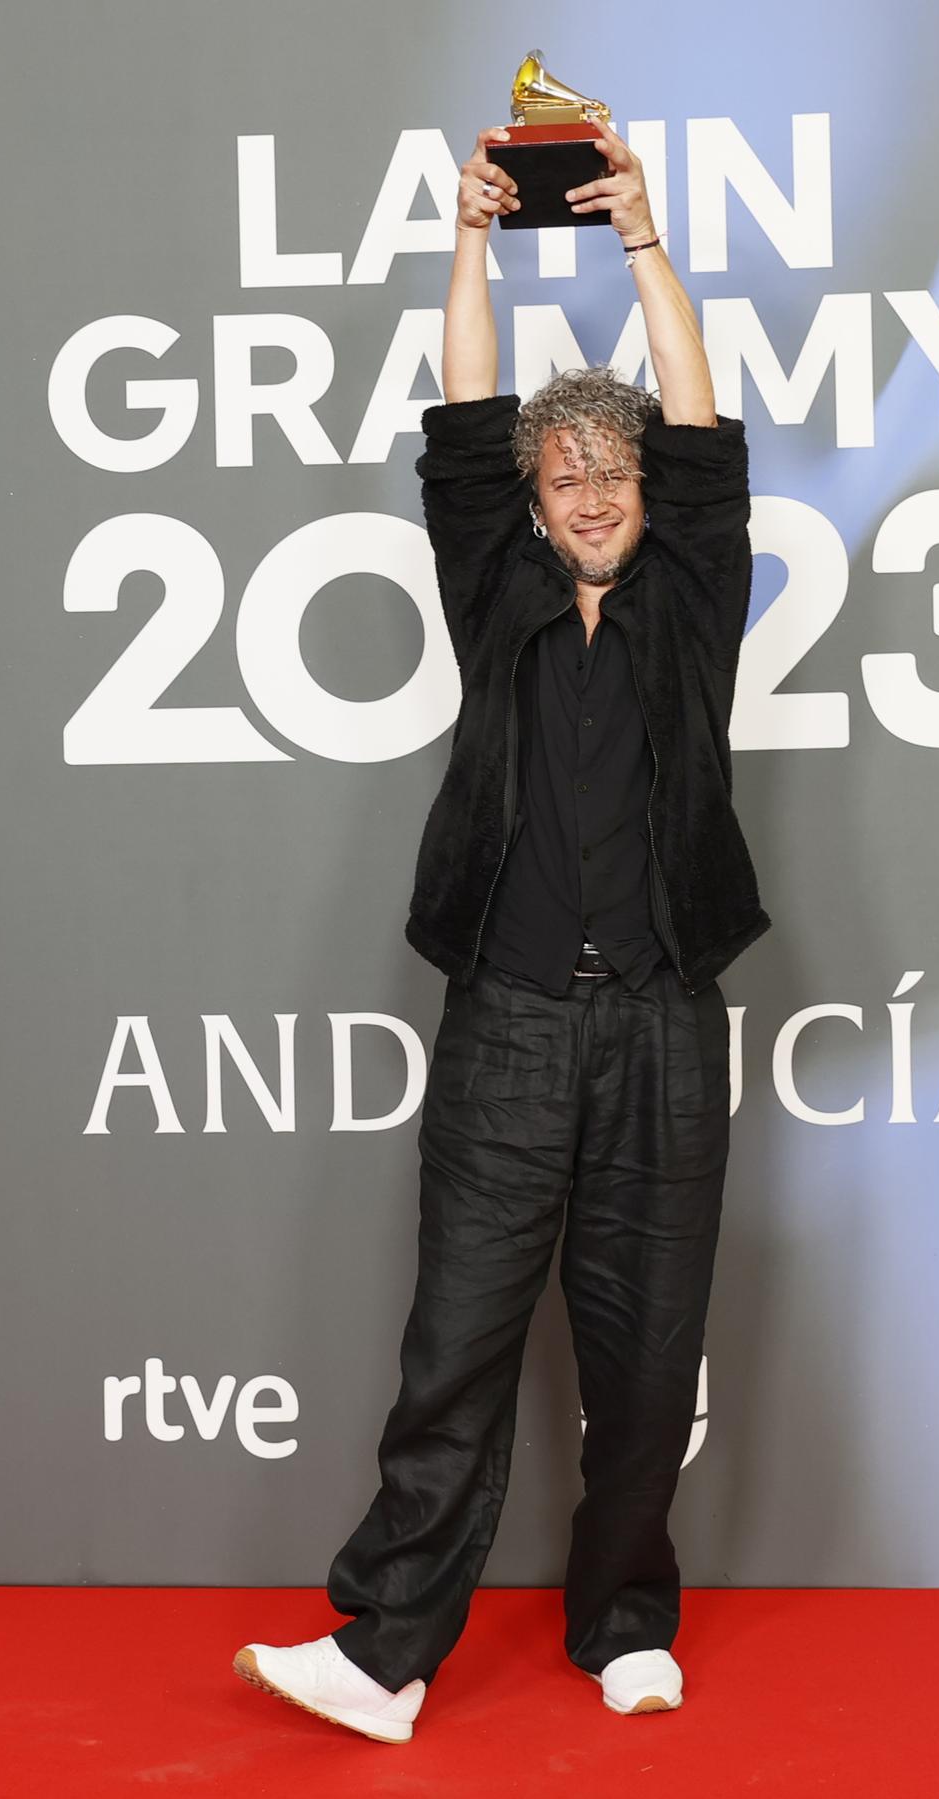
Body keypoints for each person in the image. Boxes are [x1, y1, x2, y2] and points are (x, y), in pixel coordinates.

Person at [233, 121, 771, 1746]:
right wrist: (469, 240)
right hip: (513, 1022)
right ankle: (385, 1657)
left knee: (645, 1353)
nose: (597, 493)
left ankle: (624, 1626)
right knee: (456, 1343)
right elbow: (461, 426)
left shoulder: (696, 595)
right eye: (567, 476)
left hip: (667, 1020)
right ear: (534, 505)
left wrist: (644, 246)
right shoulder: (498, 593)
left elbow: (701, 423)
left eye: (616, 473)